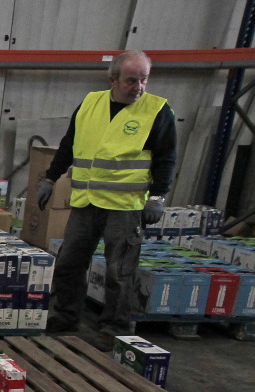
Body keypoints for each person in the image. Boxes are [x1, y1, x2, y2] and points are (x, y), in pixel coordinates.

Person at [36, 50, 176, 350]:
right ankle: (64, 317)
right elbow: (69, 145)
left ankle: (114, 329)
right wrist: (50, 178)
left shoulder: (157, 111)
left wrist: (158, 197)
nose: (139, 87)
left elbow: (166, 159)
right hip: (86, 202)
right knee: (69, 262)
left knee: (119, 272)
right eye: (131, 80)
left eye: (144, 80)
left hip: (125, 208)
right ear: (112, 78)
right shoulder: (90, 103)